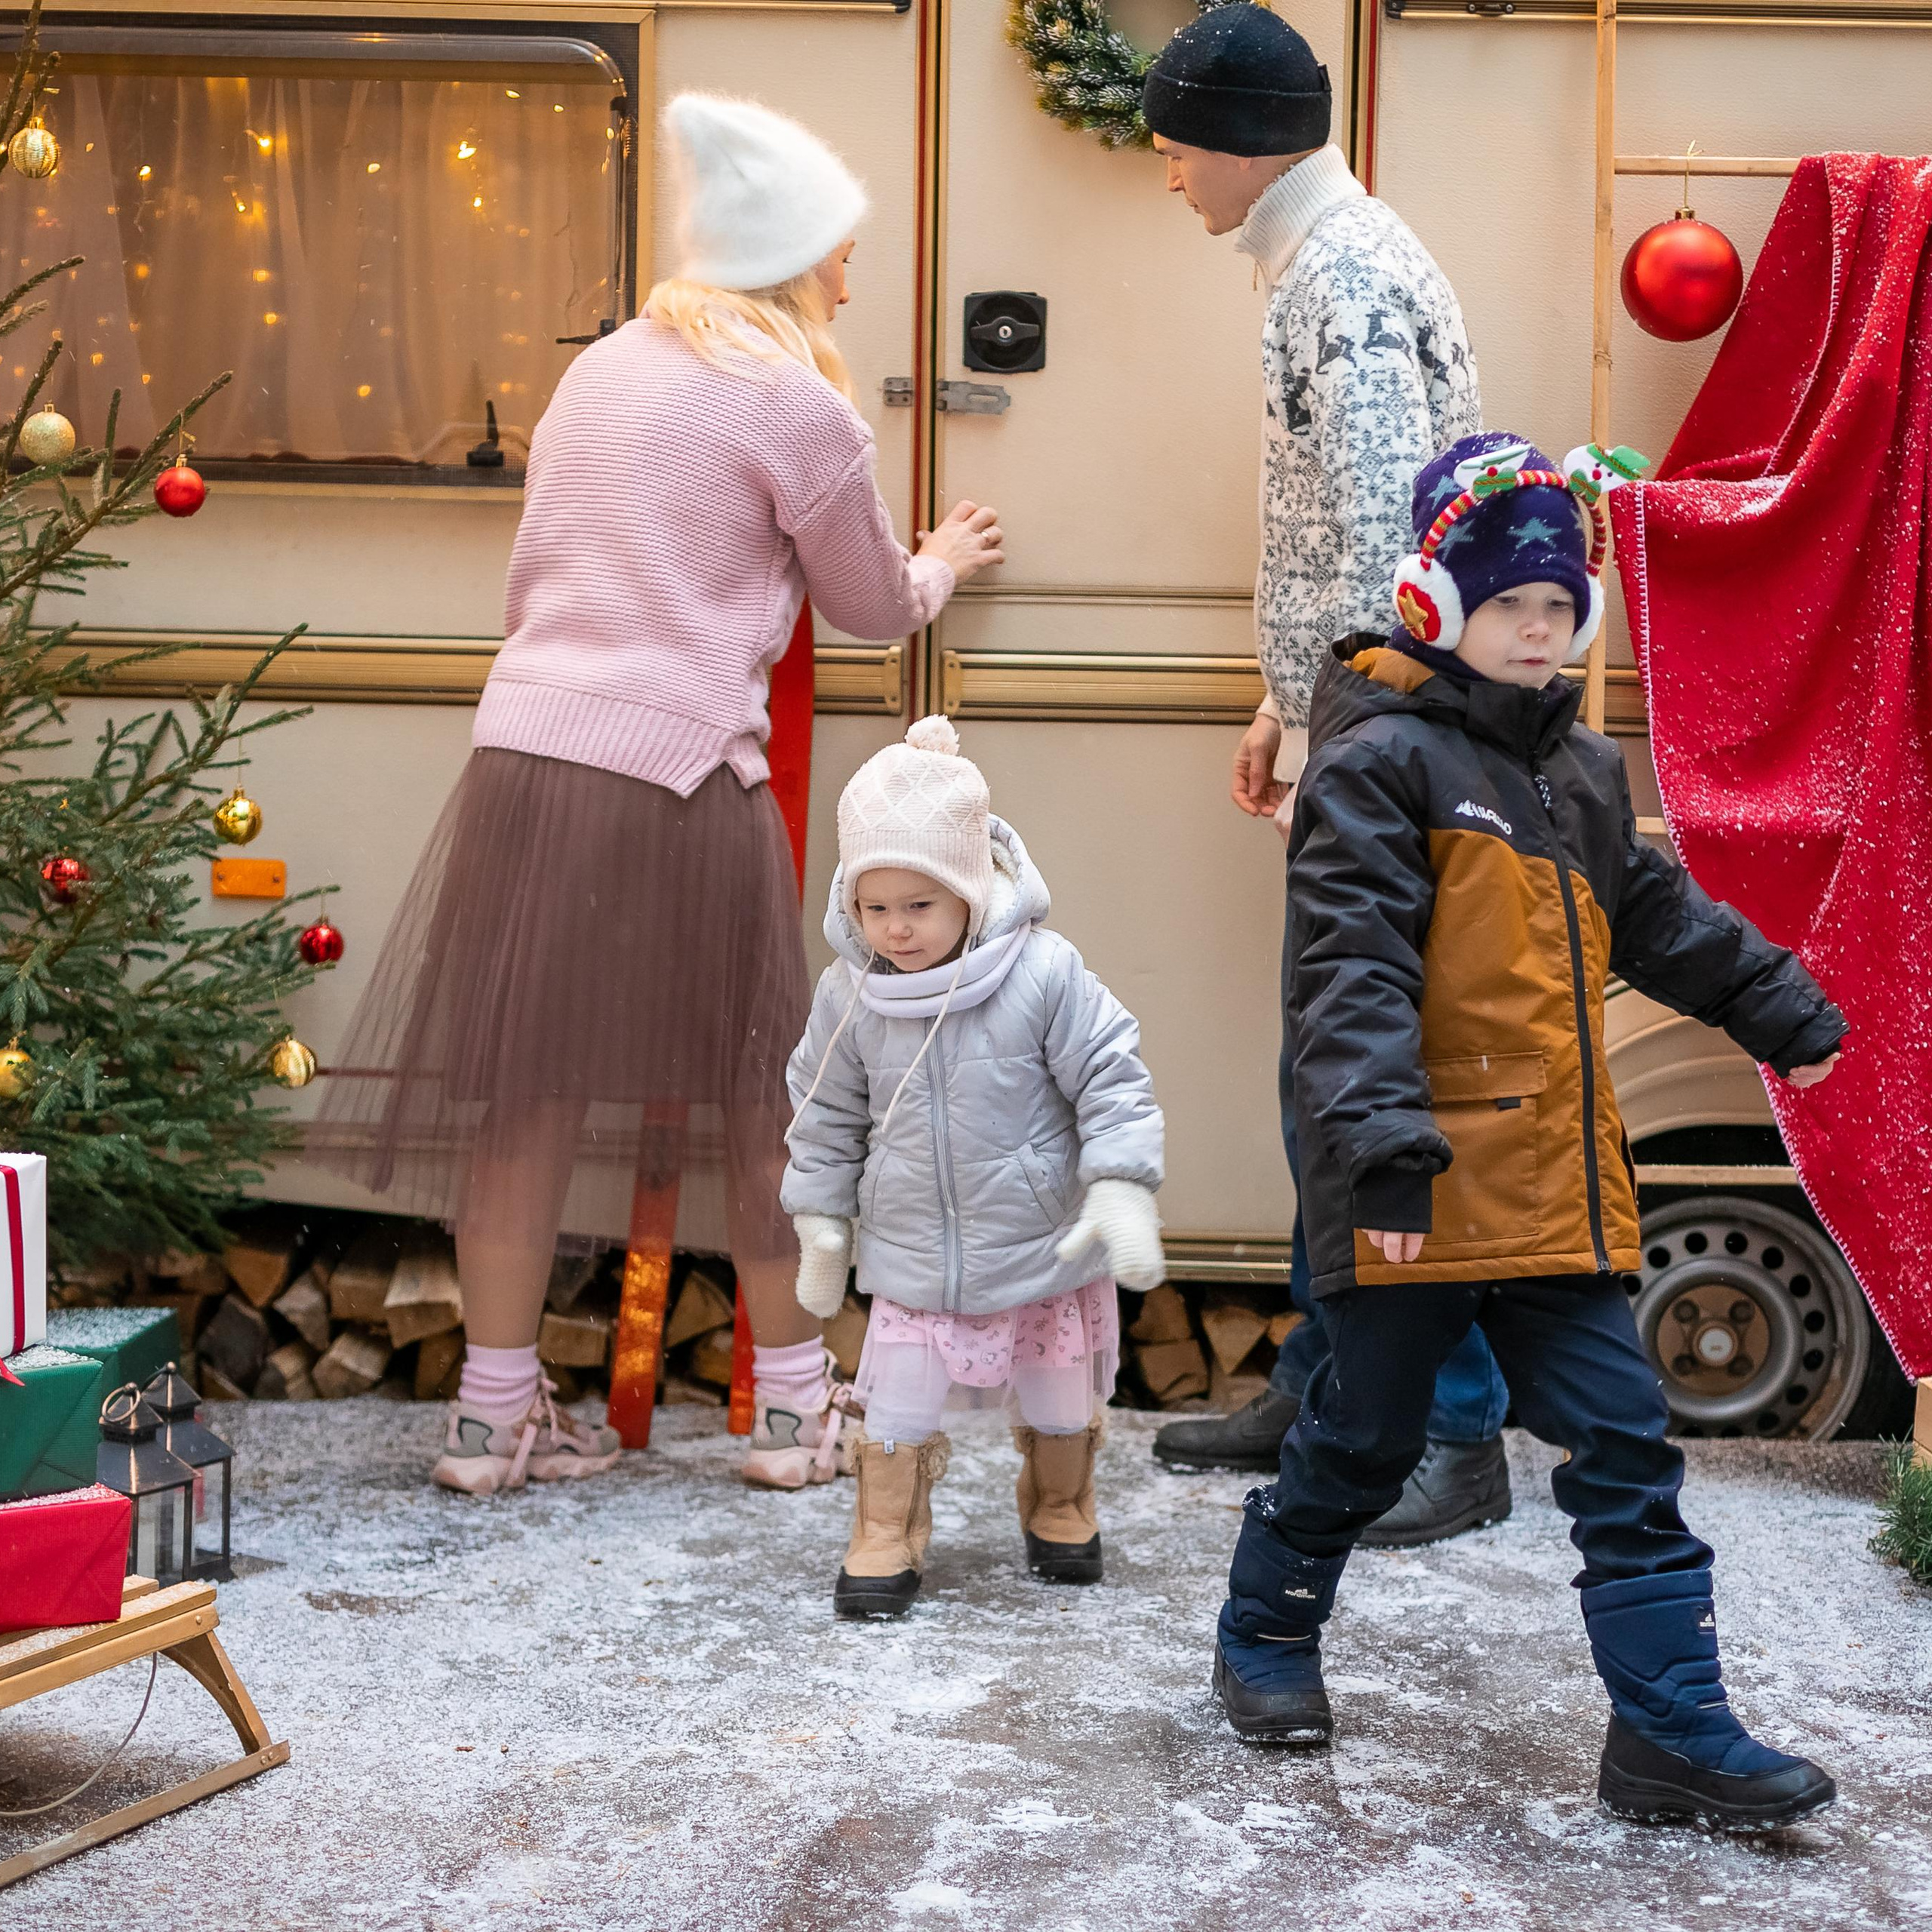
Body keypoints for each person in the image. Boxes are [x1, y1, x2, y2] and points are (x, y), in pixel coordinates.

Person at [309, 94, 1004, 1497]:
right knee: (764, 1099)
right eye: (842, 249)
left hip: (522, 757)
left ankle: (488, 1422)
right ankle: (791, 1414)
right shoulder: (800, 406)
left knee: (523, 1100)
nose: (853, 276)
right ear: (792, 257)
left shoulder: (604, 372)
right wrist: (941, 562)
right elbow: (870, 604)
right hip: (681, 773)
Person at [1211, 431, 1847, 1831]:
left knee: (1626, 1446)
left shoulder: (1579, 770)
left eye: (1561, 607)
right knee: (1363, 1440)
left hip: (1556, 1187)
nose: (1541, 631)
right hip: (1414, 1182)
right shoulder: (1377, 765)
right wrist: (1381, 1148)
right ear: (1437, 603)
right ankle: (1265, 1631)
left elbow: (1659, 919)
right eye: (1511, 604)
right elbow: (1350, 972)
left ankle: (1671, 1731)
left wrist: (1777, 1005)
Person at [1140, 3, 1512, 1544]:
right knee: (1333, 1075)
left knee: (1370, 1089)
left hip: (1384, 748)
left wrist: (1341, 745)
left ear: (1239, 144)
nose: (1168, 174)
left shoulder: (1341, 277)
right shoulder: (1321, 256)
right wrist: (1275, 703)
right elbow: (1356, 536)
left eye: (1176, 146)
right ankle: (1327, 1380)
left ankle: (1449, 1428)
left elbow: (1381, 539)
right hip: (1358, 728)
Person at [781, 718, 1166, 1617]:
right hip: (914, 1249)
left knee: (1058, 1394)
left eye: (919, 904)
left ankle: (1061, 1504)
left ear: (967, 887)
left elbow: (1111, 1074)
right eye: (875, 907)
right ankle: (884, 1531)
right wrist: (821, 1217)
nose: (896, 928)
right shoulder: (850, 994)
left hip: (1039, 1244)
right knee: (897, 1405)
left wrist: (1119, 1180)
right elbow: (824, 1111)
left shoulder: (1043, 972)